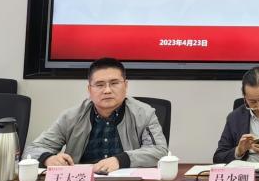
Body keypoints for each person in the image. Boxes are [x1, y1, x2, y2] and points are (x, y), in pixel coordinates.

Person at [24, 58, 167, 172]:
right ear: (89, 89)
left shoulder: (144, 114)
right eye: (99, 85)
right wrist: (48, 158)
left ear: (126, 85)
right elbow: (32, 150)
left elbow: (159, 151)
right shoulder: (71, 117)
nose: (107, 90)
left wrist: (120, 160)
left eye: (114, 83)